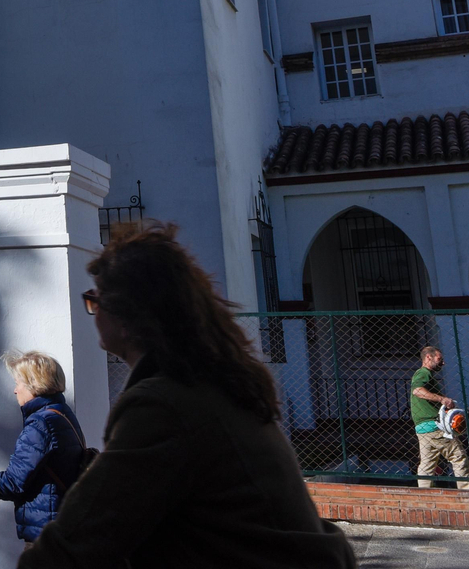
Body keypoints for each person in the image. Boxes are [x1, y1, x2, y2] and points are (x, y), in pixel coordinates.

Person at [21, 224, 357, 569]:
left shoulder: (162, 404)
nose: (93, 312)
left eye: (96, 300)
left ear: (126, 317)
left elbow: (80, 537)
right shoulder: (212, 383)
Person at [0, 350, 89, 546]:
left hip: (45, 532)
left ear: (34, 385)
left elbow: (13, 482)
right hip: (61, 522)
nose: (15, 390)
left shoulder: (41, 423)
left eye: (18, 383)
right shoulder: (61, 413)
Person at [410, 345, 469, 491]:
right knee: (458, 457)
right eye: (440, 359)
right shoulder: (423, 373)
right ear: (428, 357)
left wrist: (464, 414)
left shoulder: (423, 375)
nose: (443, 363)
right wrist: (442, 399)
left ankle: (423, 495)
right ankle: (466, 493)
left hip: (422, 428)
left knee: (427, 464)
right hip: (434, 426)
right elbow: (417, 391)